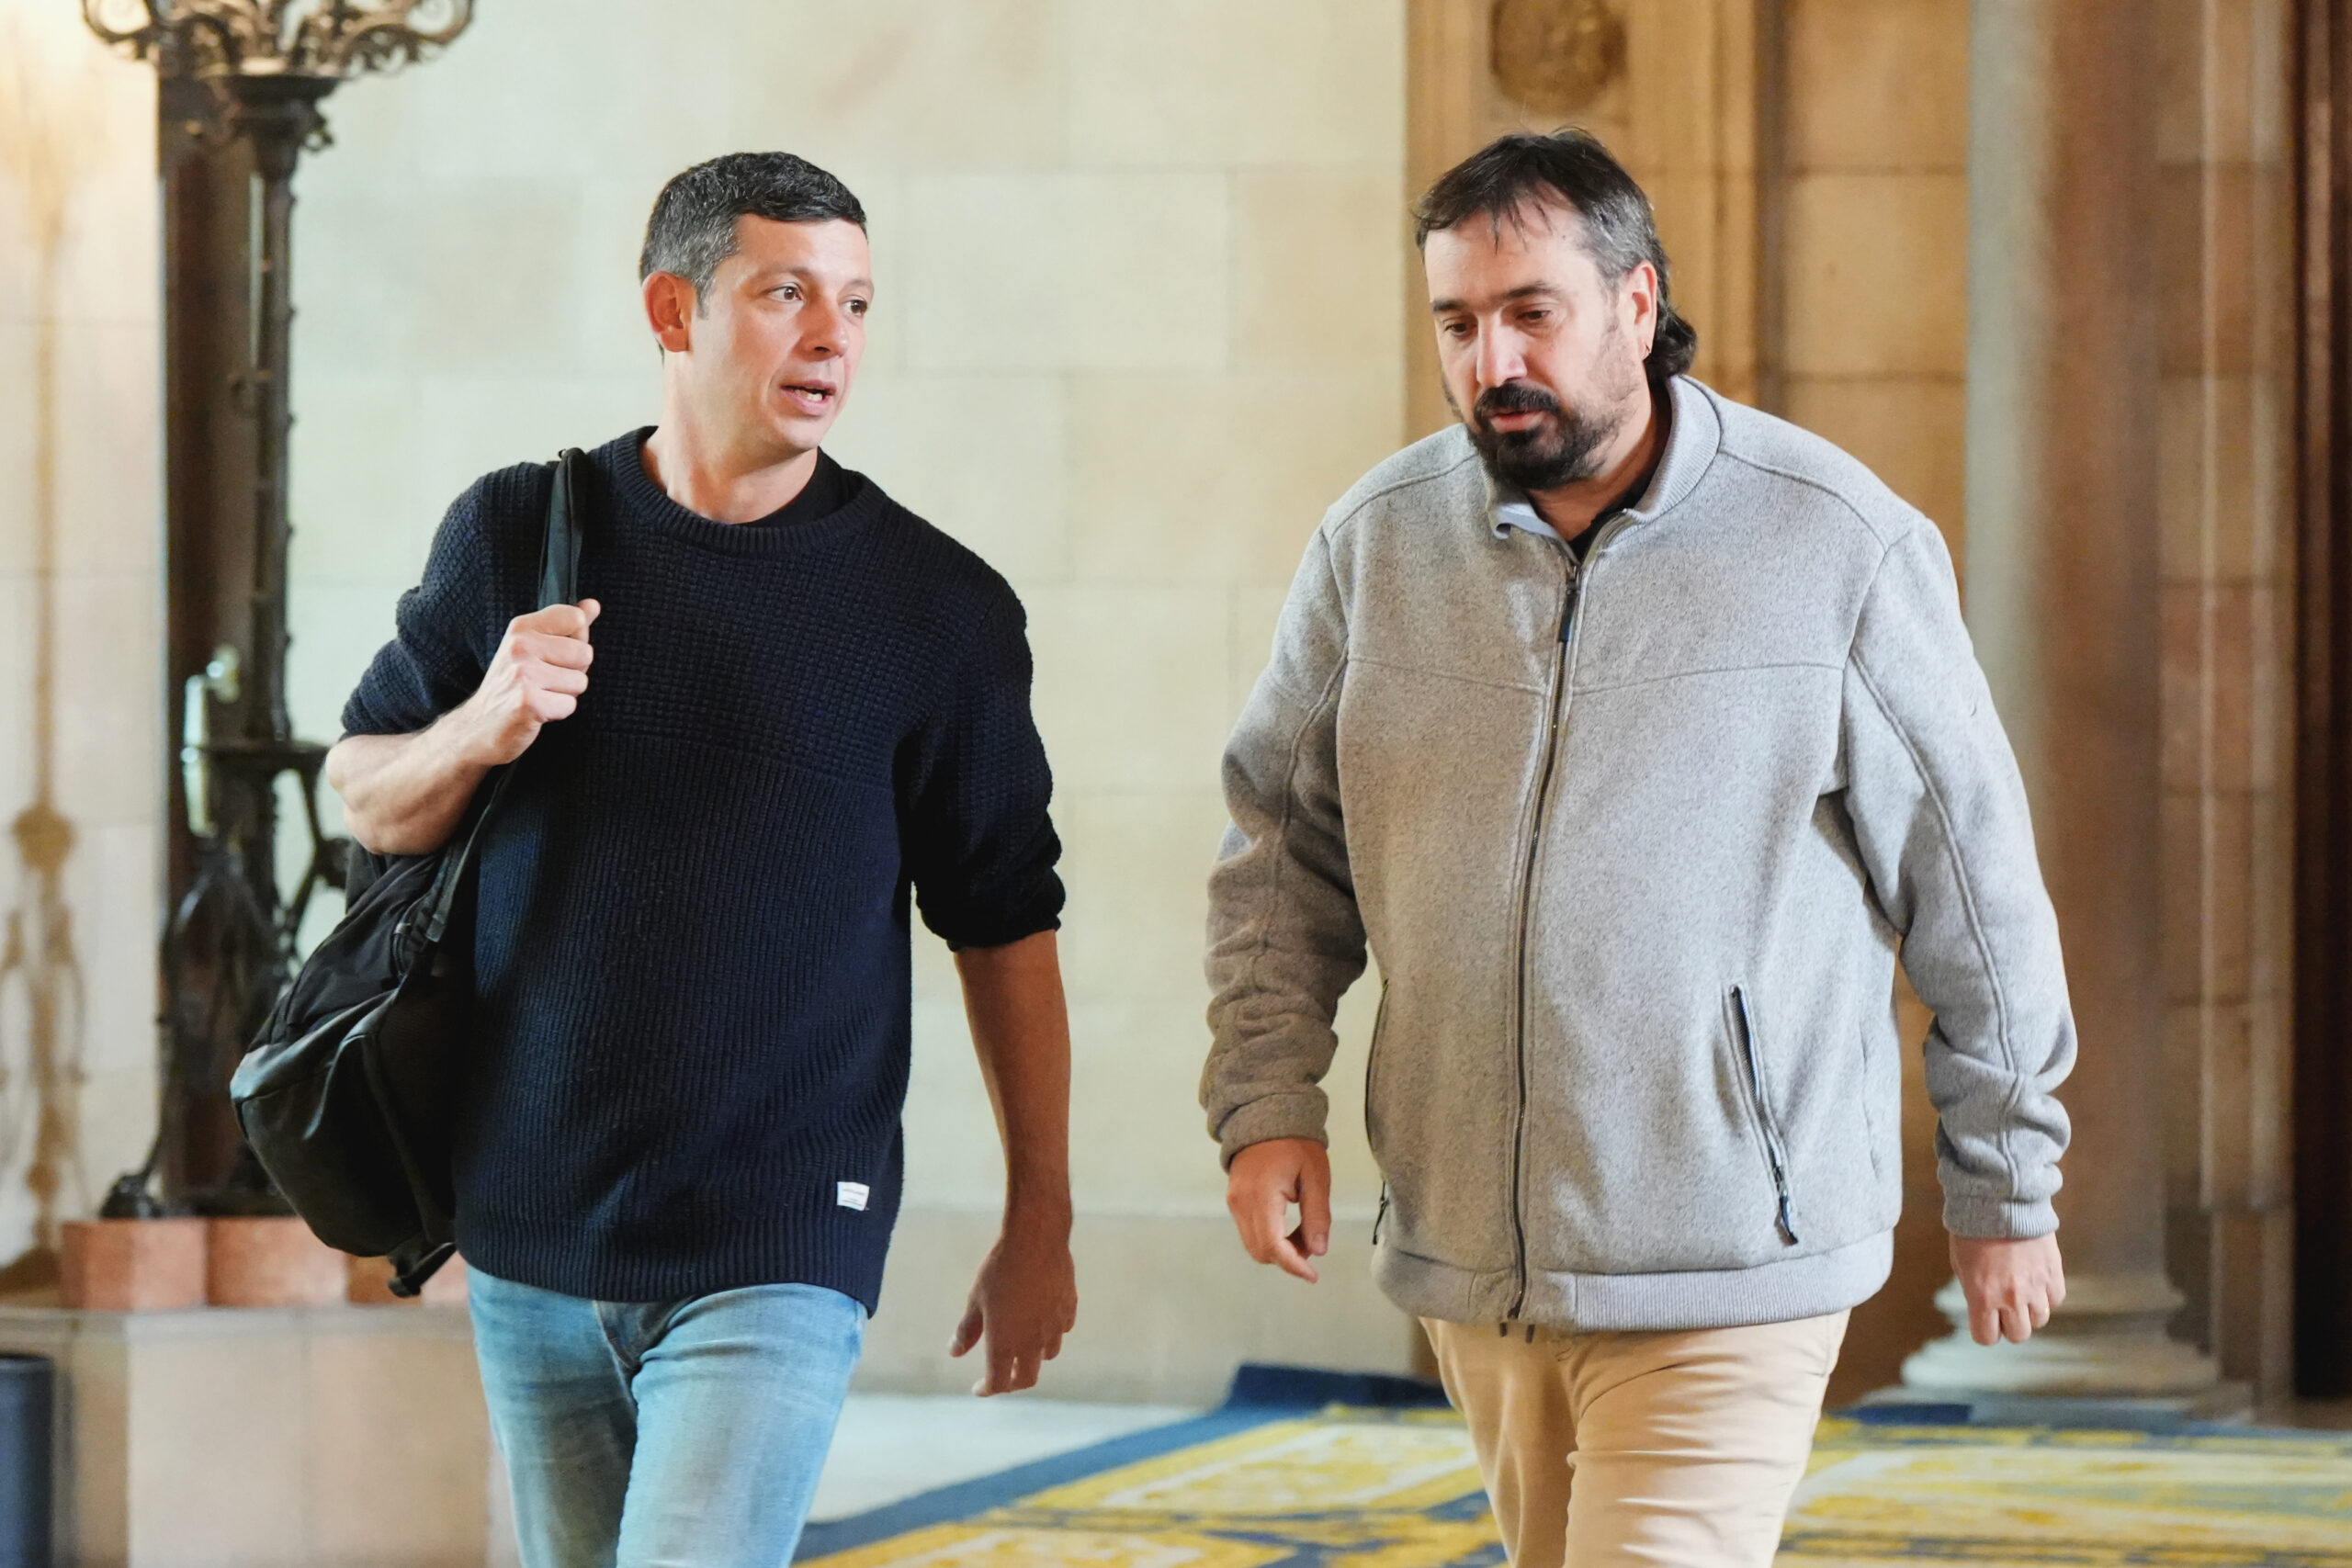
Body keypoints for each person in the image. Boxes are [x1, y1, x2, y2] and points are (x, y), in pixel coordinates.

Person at [1201, 129, 2074, 1568]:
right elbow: (1283, 854)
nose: (1493, 361)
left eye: (1530, 312)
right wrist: (1266, 1100)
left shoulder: (1834, 543)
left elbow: (1972, 889)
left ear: (1636, 300)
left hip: (1733, 1252)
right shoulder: (1377, 546)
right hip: (1476, 1257)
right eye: (1458, 323)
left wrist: (2006, 1185)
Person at [326, 152, 1077, 1568]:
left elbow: (1004, 921)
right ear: (673, 311)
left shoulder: (938, 608)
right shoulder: (514, 533)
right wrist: (481, 726)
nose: (833, 337)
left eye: (857, 302)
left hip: (780, 1231)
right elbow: (364, 792)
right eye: (787, 294)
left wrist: (1041, 1210)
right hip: (529, 1225)